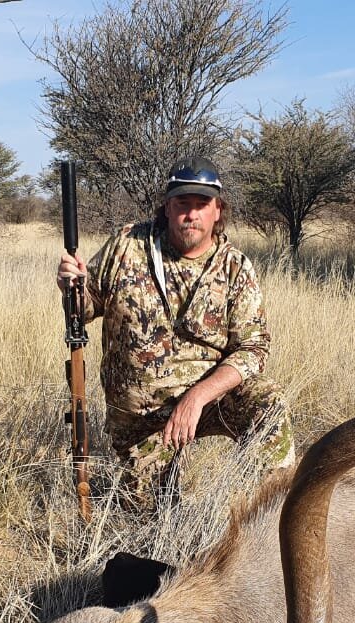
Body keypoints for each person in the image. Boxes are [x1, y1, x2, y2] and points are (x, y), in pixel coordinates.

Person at [55, 156, 294, 506]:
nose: (191, 214)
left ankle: (272, 518)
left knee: (269, 403)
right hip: (141, 419)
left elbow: (254, 348)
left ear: (218, 210)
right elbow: (87, 308)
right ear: (167, 207)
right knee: (149, 519)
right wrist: (72, 287)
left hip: (208, 402)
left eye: (202, 204)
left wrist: (197, 397)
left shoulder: (234, 266)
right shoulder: (126, 244)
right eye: (183, 203)